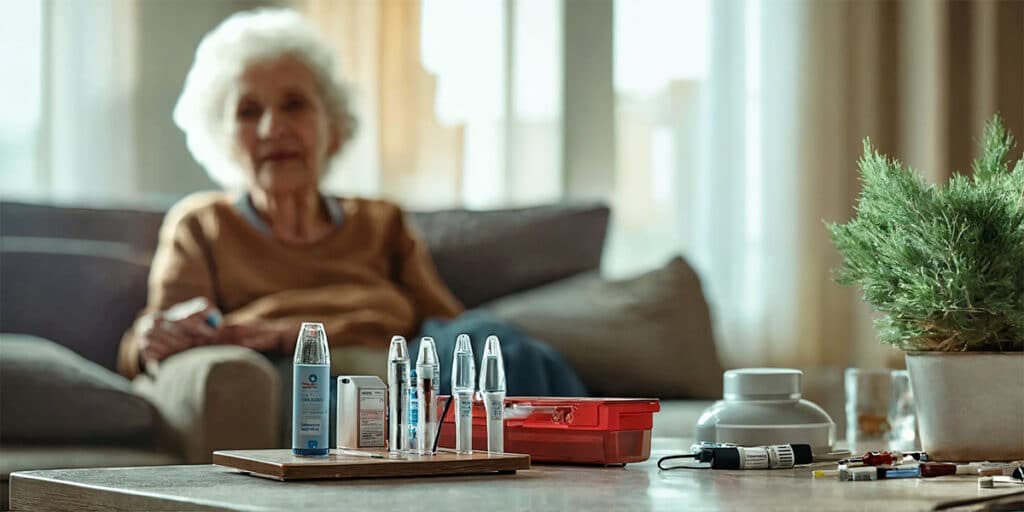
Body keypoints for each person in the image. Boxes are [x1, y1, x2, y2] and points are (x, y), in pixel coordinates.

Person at [118, 8, 587, 407]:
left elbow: (447, 323)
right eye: (248, 111)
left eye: (294, 105)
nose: (271, 129)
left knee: (500, 346)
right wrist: (149, 340)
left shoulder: (381, 221)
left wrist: (299, 326)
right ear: (222, 137)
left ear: (333, 125)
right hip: (317, 371)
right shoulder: (202, 225)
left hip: (414, 360)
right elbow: (160, 336)